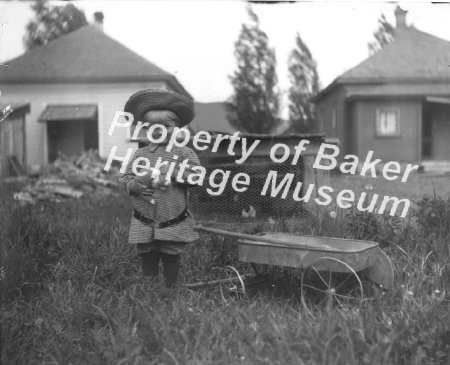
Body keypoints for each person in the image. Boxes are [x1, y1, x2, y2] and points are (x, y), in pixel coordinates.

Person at [119, 89, 201, 287]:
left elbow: (196, 176)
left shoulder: (184, 153)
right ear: (145, 129)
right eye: (152, 127)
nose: (159, 131)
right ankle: (151, 288)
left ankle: (170, 288)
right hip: (144, 218)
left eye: (166, 126)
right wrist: (135, 185)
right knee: (148, 254)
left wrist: (173, 172)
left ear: (177, 127)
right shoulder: (140, 154)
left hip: (171, 217)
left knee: (170, 254)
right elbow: (125, 176)